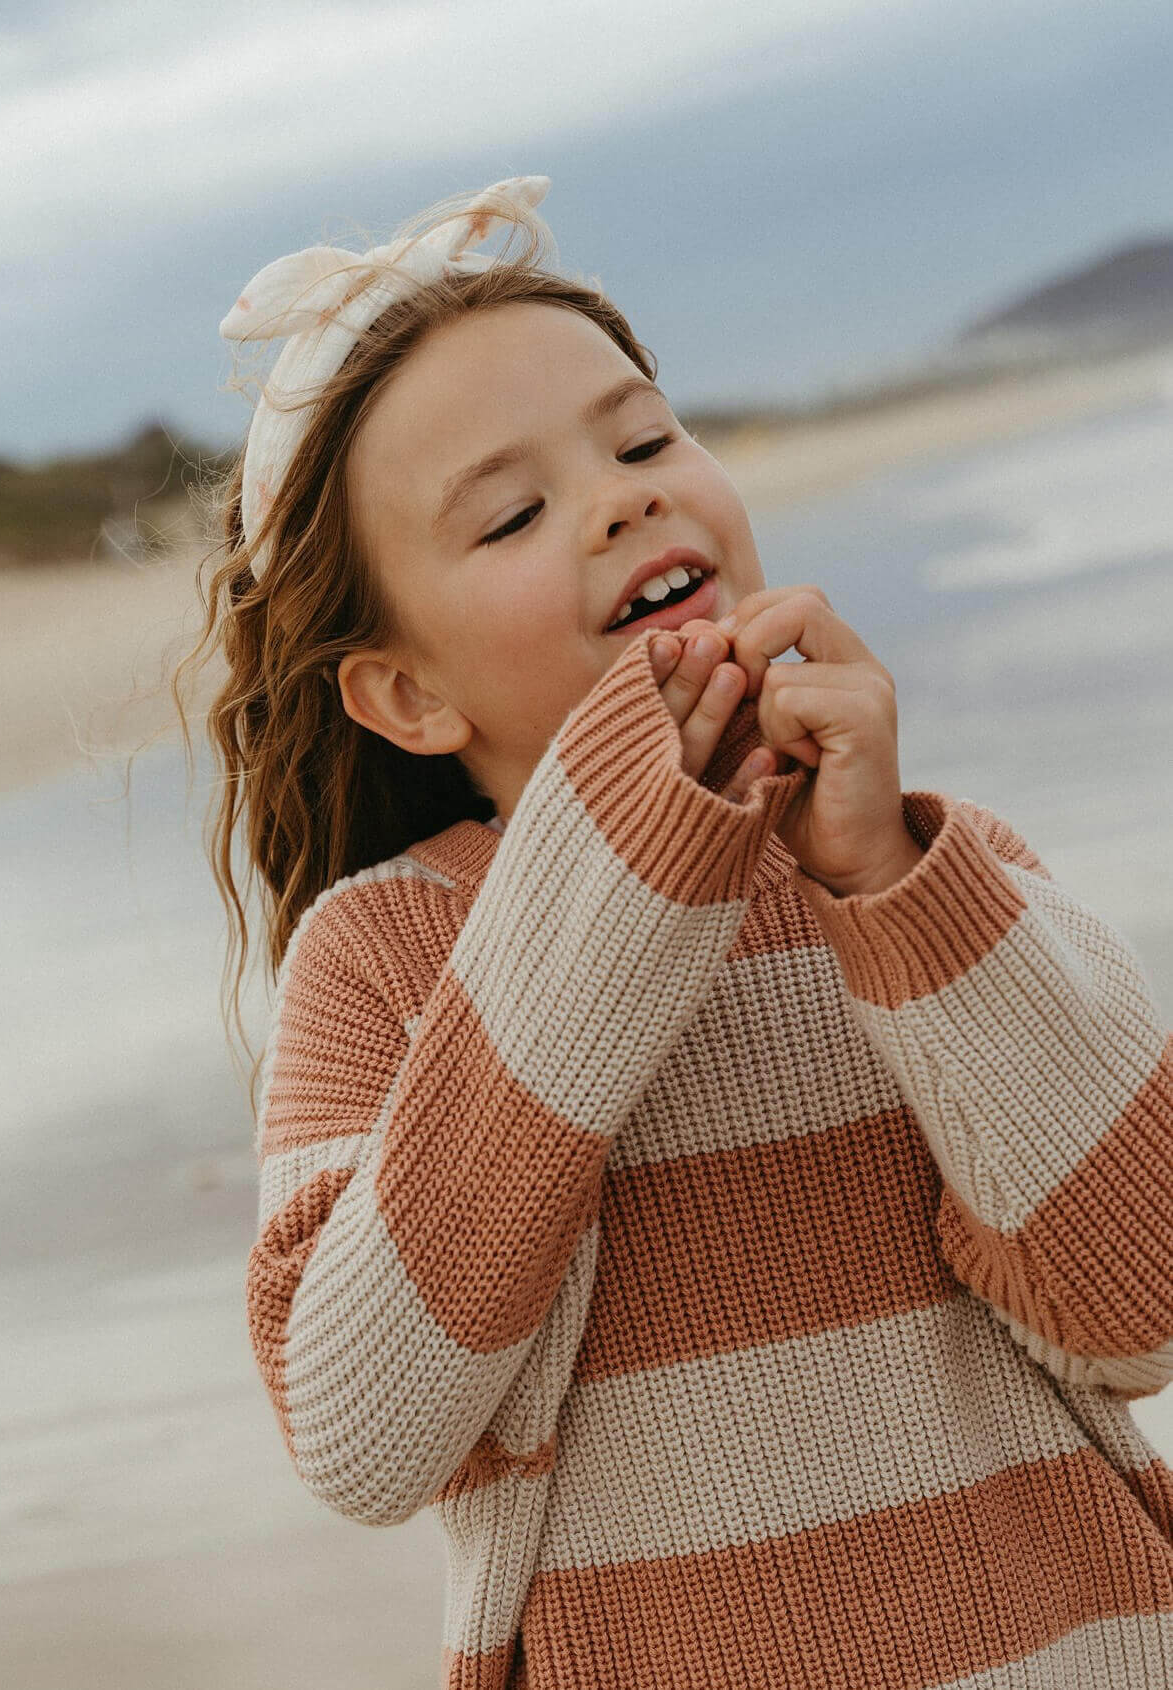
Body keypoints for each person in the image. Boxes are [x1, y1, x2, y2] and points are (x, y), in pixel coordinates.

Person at [188, 176, 1173, 1687]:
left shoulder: (937, 878)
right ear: (406, 695)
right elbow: (362, 1432)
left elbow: (1142, 1299)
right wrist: (612, 878)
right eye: (512, 513)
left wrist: (893, 881)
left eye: (644, 438)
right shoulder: (385, 955)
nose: (625, 496)